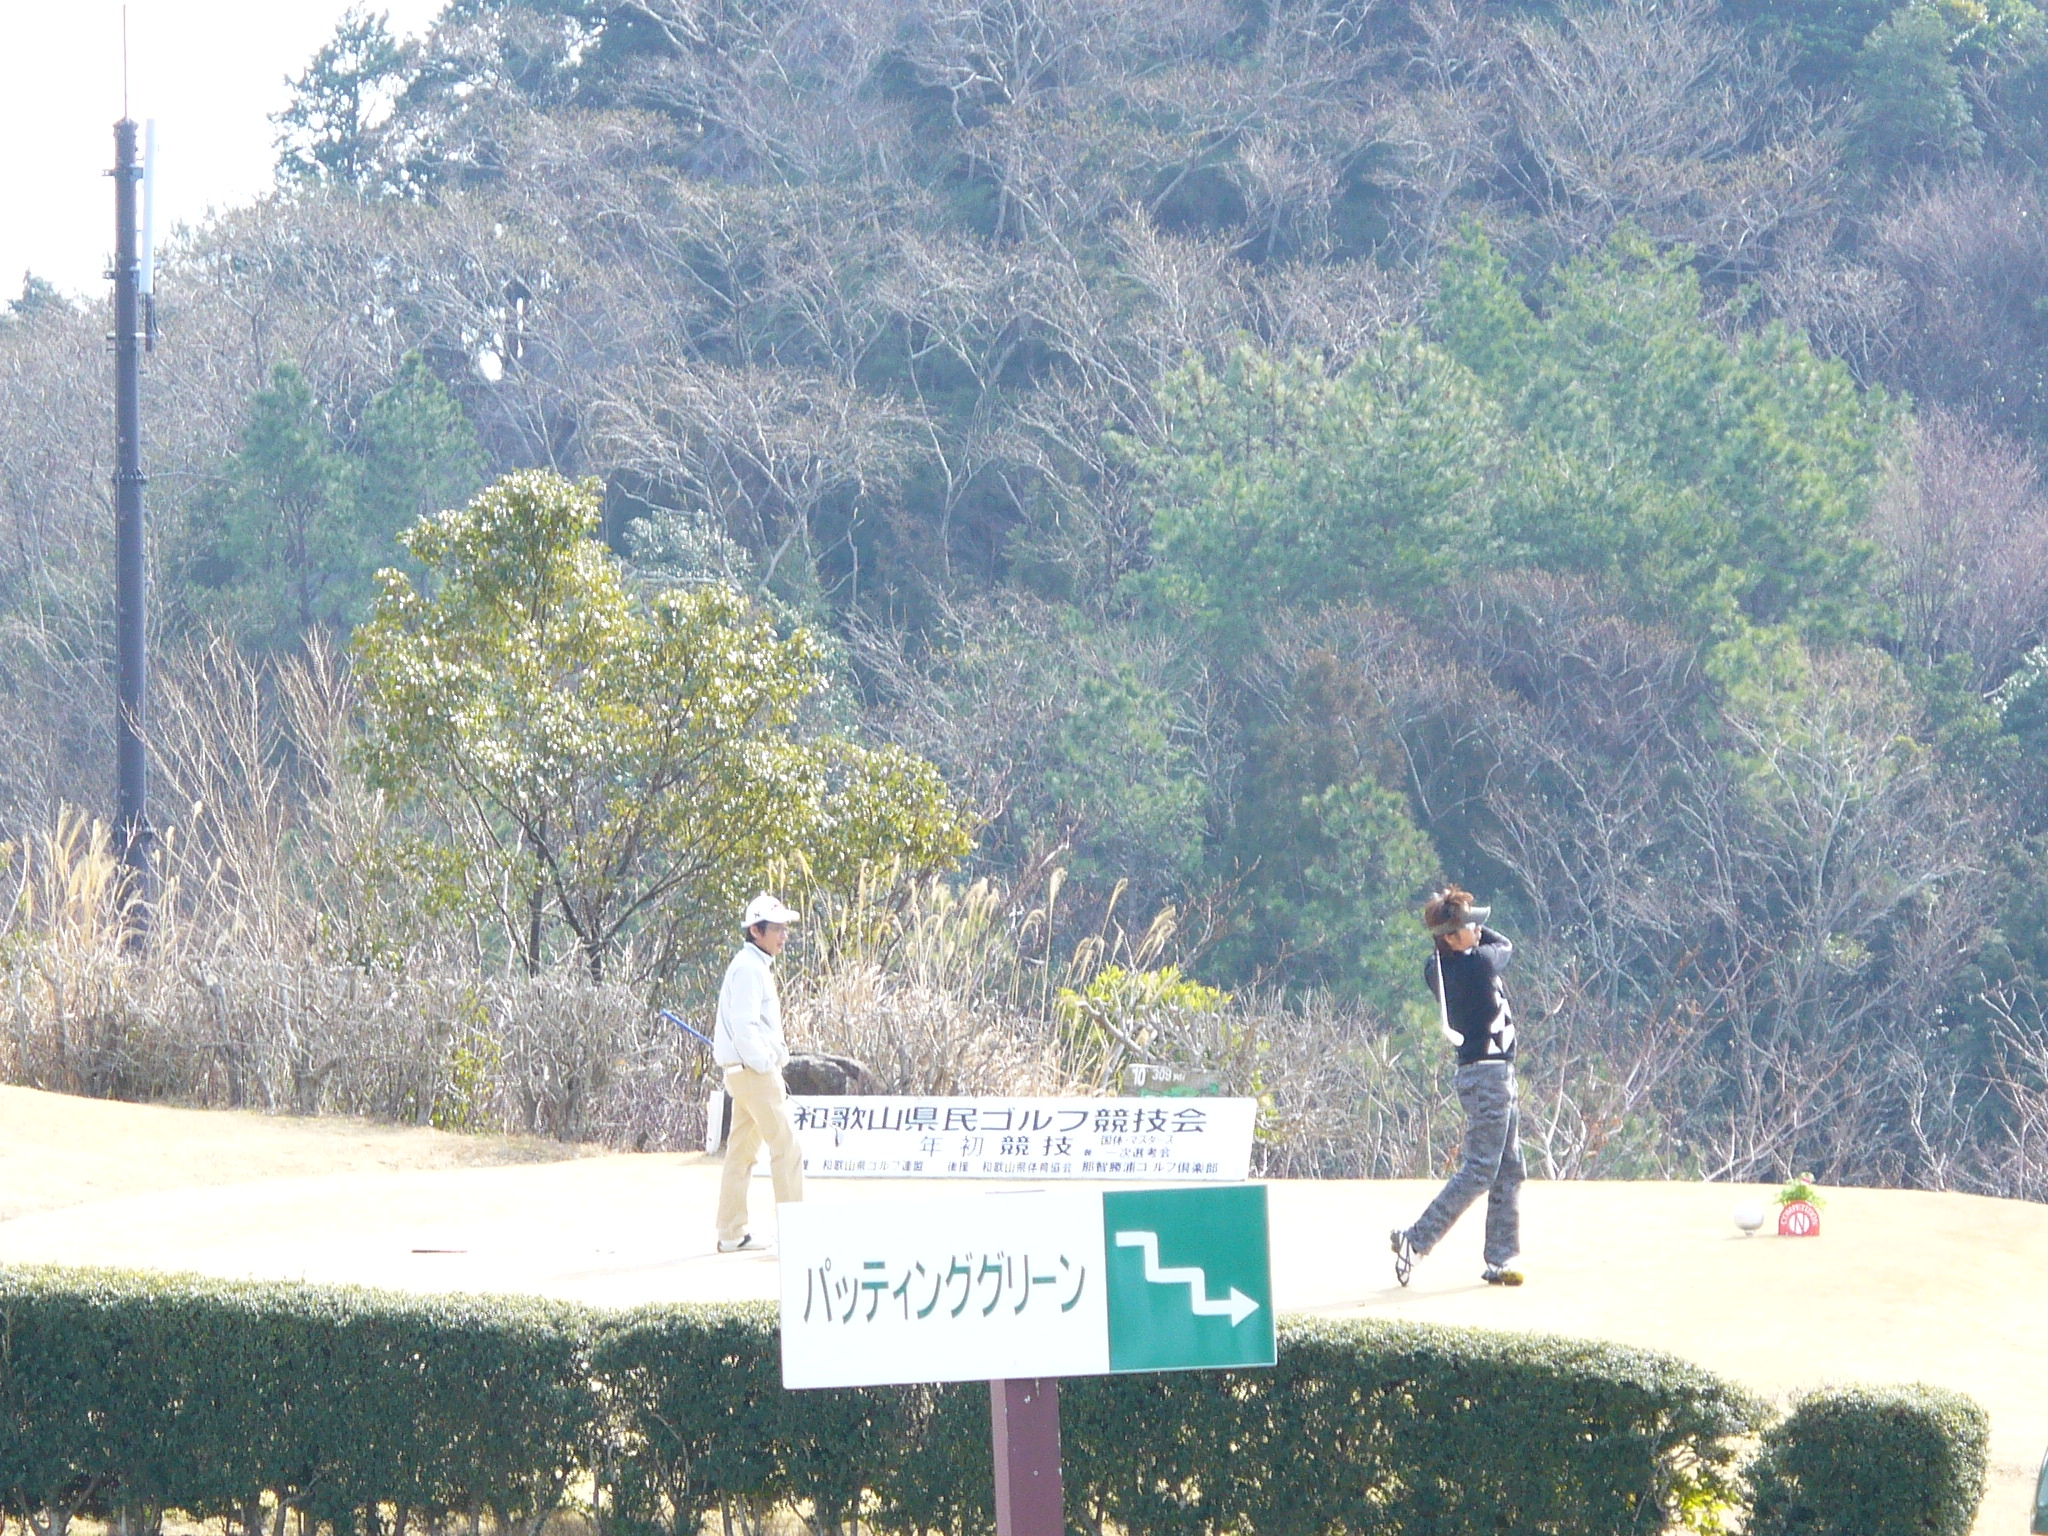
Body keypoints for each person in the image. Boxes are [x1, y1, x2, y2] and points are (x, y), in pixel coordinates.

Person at [1390, 885, 1525, 1287]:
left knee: (1509, 1167)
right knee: (1482, 1169)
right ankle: (1416, 1240)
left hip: (1492, 1075)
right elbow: (1506, 945)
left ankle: (1500, 1259)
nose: (1479, 930)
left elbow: (1479, 941)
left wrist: (1457, 918)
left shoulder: (1438, 967)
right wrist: (1457, 920)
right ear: (1450, 938)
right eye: (1470, 926)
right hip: (1488, 1078)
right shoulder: (1479, 963)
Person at [712, 893, 806, 1253]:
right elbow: (744, 1029)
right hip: (754, 1073)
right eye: (777, 928)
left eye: (785, 928)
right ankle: (793, 1236)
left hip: (742, 1073)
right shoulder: (750, 969)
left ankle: (731, 1233)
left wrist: (769, 1056)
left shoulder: (750, 965)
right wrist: (767, 1062)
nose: (784, 935)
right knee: (787, 1148)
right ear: (755, 930)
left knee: (741, 1153)